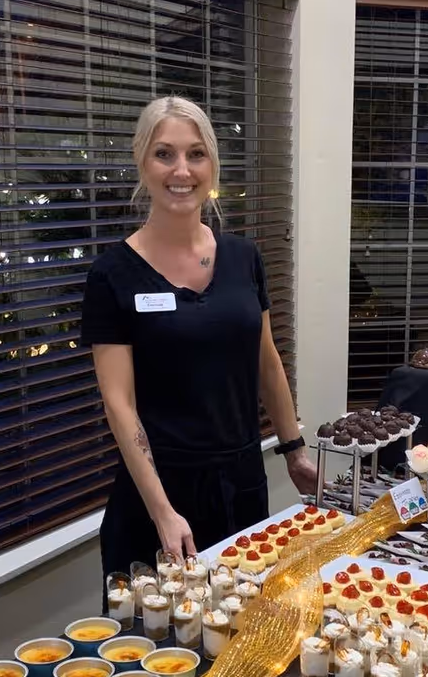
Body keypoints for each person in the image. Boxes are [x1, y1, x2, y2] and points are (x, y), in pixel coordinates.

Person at [81, 96, 316, 581]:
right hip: (158, 498)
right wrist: (162, 511)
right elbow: (119, 403)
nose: (181, 170)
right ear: (142, 162)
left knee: (250, 625)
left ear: (212, 165)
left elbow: (266, 362)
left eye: (196, 154)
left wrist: (295, 450)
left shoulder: (244, 258)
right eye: (164, 154)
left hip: (242, 485)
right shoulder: (112, 275)